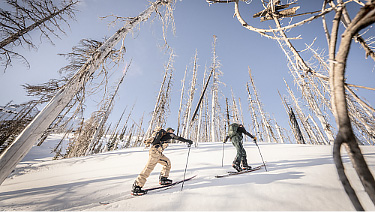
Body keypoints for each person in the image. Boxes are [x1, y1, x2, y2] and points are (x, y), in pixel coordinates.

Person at [131, 127, 193, 196]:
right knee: (149, 168)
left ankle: (163, 178)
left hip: (158, 153)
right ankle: (137, 186)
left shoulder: (165, 137)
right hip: (155, 152)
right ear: (168, 130)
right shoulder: (168, 134)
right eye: (172, 130)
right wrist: (187, 141)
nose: (172, 132)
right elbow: (177, 137)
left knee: (167, 163)